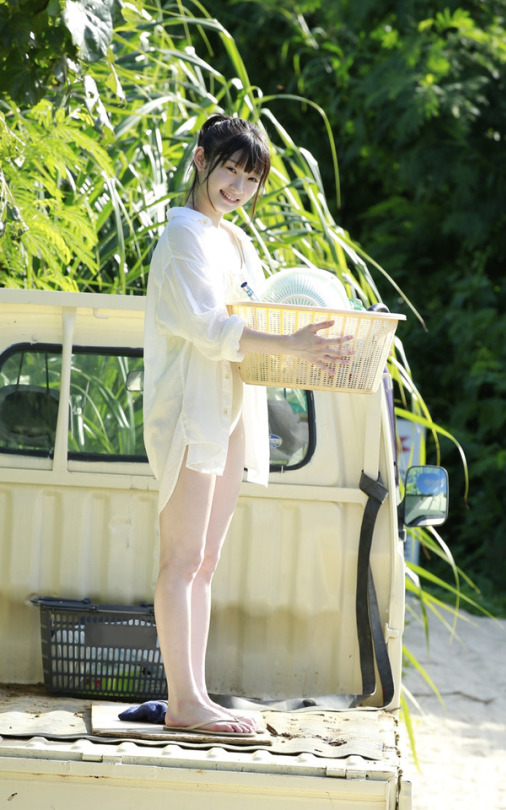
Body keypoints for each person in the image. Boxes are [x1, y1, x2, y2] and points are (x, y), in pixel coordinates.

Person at [143, 114, 353, 736]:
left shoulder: (233, 240)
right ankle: (185, 703)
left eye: (250, 178)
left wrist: (310, 340)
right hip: (191, 410)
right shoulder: (181, 236)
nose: (238, 186)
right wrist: (292, 344)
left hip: (234, 403)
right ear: (200, 159)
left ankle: (195, 697)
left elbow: (257, 313)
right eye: (229, 169)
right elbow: (211, 328)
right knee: (181, 559)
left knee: (206, 561)